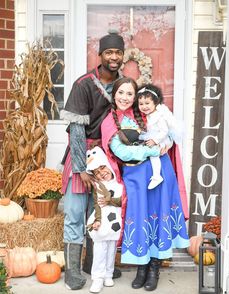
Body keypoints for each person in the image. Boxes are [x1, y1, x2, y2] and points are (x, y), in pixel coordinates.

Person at [101, 77, 190, 291]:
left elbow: (169, 134)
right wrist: (153, 149)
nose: (125, 97)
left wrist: (165, 144)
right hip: (136, 177)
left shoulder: (146, 111)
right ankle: (141, 267)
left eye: (129, 94)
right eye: (121, 93)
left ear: (135, 97)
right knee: (139, 216)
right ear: (114, 94)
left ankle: (154, 268)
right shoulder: (110, 121)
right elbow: (122, 151)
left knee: (158, 215)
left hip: (160, 173)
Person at [60, 31, 124, 290]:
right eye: (109, 52)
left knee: (99, 210)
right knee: (76, 214)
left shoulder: (123, 85)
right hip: (82, 157)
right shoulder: (84, 84)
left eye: (118, 52)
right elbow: (76, 128)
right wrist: (81, 168)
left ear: (123, 56)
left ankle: (92, 264)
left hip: (107, 160)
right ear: (100, 55)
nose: (114, 57)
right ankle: (72, 271)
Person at [85, 146, 123, 293]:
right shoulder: (98, 186)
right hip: (103, 221)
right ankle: (97, 278)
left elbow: (123, 201)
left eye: (102, 168)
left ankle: (108, 273)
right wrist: (97, 220)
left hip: (115, 223)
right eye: (97, 173)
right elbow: (97, 204)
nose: (102, 173)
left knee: (112, 249)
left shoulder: (120, 182)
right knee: (100, 249)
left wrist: (110, 201)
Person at [137, 84, 183, 190]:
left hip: (162, 138)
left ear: (156, 102)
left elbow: (164, 131)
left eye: (147, 103)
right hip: (155, 136)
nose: (144, 106)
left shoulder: (159, 116)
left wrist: (155, 140)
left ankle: (157, 176)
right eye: (141, 104)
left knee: (154, 153)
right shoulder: (149, 115)